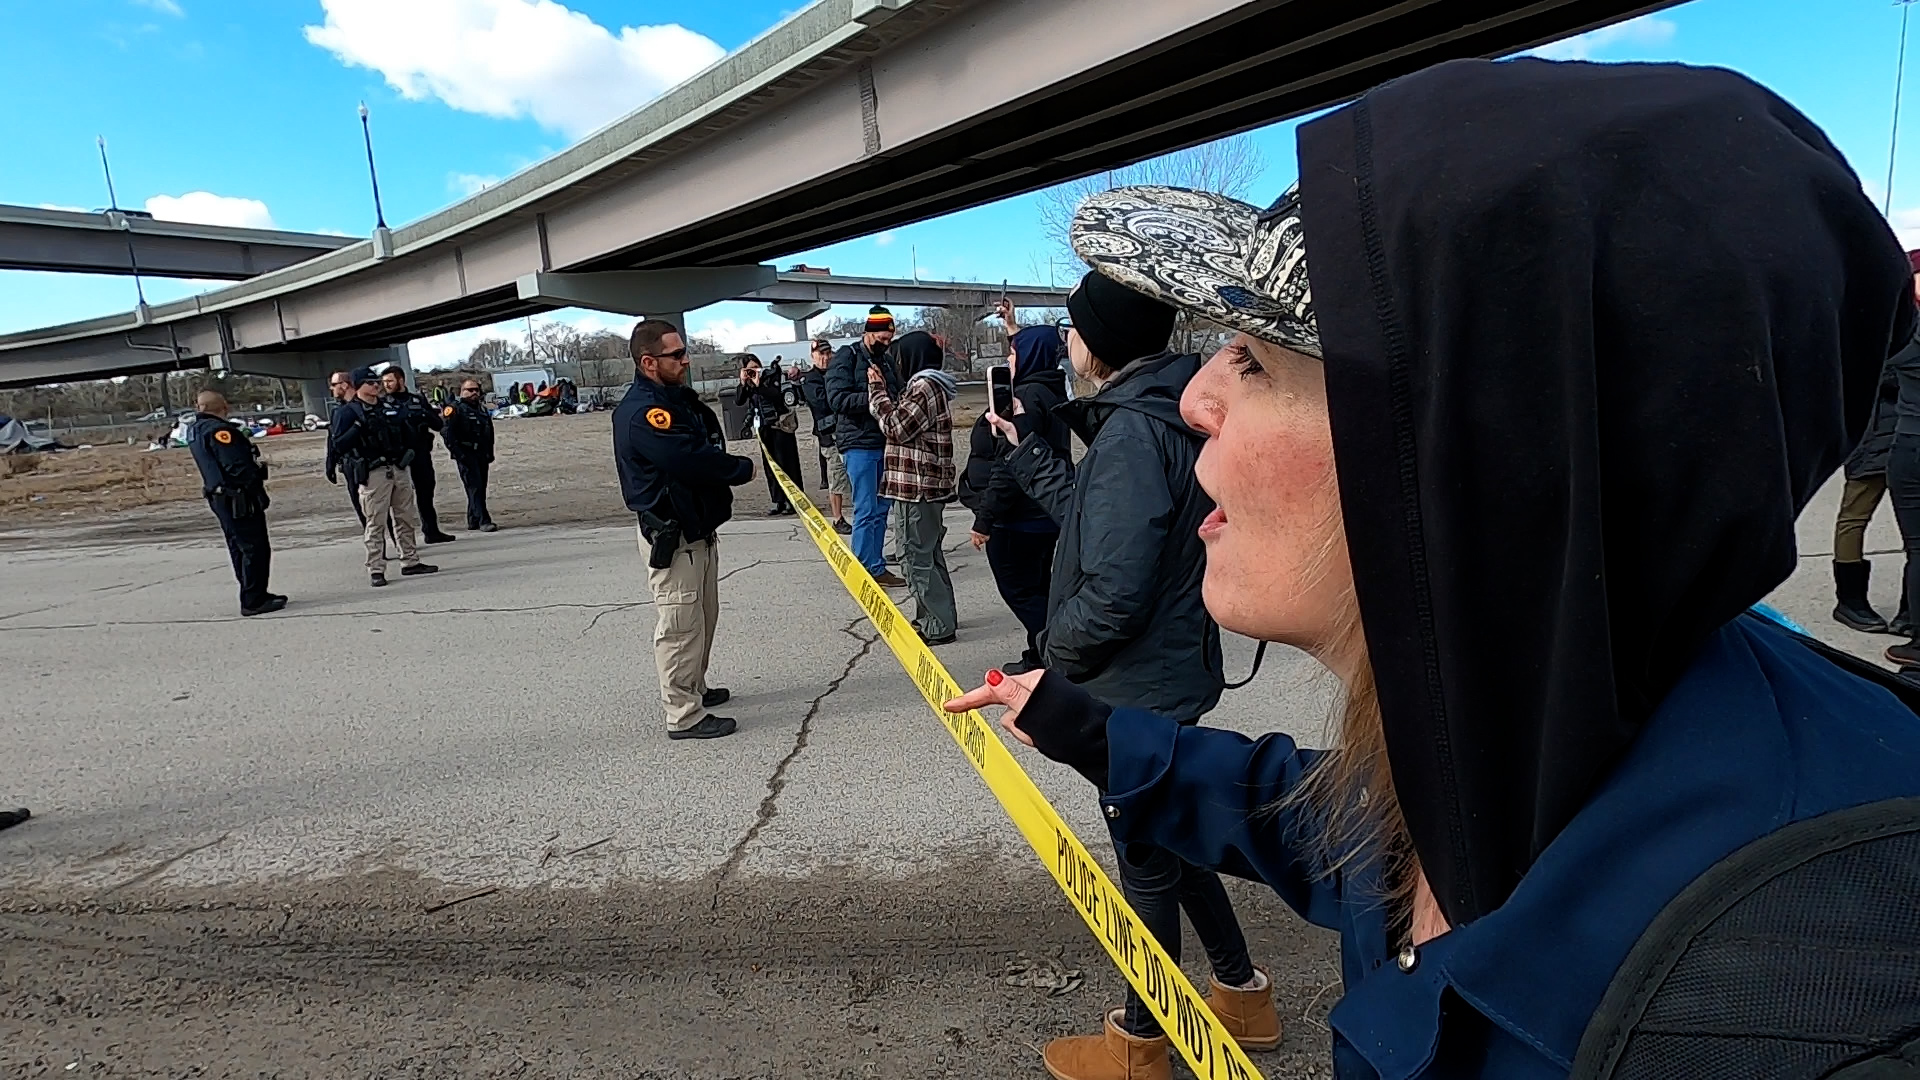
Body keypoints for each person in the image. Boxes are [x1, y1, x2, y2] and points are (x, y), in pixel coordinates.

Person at [949, 59, 1920, 1080]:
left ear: (1495, 450)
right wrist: (1081, 726)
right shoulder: (1539, 716)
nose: (1195, 399)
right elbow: (1348, 828)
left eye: (1260, 359)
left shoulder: (1810, 1000)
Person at [983, 270, 1267, 1075]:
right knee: (1167, 840)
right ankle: (1242, 992)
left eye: (1071, 329)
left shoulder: (1132, 432)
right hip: (1168, 670)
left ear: (1095, 342)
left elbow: (1113, 588)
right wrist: (1032, 459)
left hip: (1136, 683)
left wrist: (1050, 665)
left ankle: (1144, 1044)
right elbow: (1102, 517)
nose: (1066, 343)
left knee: (1143, 866)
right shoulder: (1155, 412)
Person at [614, 319, 757, 741]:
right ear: (648, 362)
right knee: (679, 626)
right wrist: (741, 470)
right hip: (672, 536)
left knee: (703, 618)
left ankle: (694, 687)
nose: (685, 360)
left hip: (698, 529)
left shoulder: (677, 400)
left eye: (683, 351)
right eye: (675, 355)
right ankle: (683, 713)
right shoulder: (646, 413)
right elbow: (691, 459)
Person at [958, 317, 1073, 673]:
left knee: (1022, 592)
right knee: (1040, 588)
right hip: (1042, 512)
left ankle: (1057, 655)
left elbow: (1011, 463)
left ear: (1028, 355)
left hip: (1018, 517)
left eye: (1012, 352)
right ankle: (1041, 654)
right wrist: (1011, 324)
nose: (1009, 359)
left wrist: (985, 518)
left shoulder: (1026, 399)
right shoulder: (1052, 389)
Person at [867, 330, 960, 645]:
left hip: (916, 488)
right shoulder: (932, 385)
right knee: (929, 555)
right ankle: (936, 616)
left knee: (913, 557)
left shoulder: (923, 386)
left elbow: (896, 427)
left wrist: (877, 391)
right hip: (926, 487)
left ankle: (938, 623)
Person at [1833, 309, 1906, 634]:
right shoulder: (1887, 322)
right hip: (1877, 431)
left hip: (1899, 432)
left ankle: (1909, 607)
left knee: (1912, 527)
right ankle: (1850, 601)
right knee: (1855, 516)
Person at [826, 306, 908, 586]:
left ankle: (876, 565)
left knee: (882, 508)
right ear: (869, 332)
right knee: (866, 508)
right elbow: (837, 400)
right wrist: (875, 396)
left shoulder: (886, 361)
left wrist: (888, 395)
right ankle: (862, 570)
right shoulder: (845, 357)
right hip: (858, 443)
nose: (886, 343)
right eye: (882, 337)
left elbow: (898, 393)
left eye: (890, 338)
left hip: (885, 442)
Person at [335, 367, 438, 587]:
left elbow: (407, 431)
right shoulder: (349, 412)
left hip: (397, 468)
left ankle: (410, 561)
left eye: (377, 382)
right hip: (373, 472)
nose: (376, 386)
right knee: (376, 522)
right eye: (370, 382)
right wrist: (358, 428)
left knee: (405, 517)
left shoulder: (388, 407)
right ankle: (376, 568)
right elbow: (339, 445)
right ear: (358, 385)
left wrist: (408, 453)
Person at [188, 390, 286, 617]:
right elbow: (236, 466)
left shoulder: (196, 431)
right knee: (254, 547)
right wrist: (255, 479)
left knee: (238, 546)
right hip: (237, 496)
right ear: (224, 406)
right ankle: (253, 599)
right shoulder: (221, 431)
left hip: (219, 496)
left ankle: (254, 591)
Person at [382, 366, 455, 544]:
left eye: (390, 381)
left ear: (401, 380)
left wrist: (422, 414)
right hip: (399, 458)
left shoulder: (417, 400)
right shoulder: (383, 403)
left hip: (421, 454)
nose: (386, 385)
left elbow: (438, 424)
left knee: (426, 495)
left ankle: (431, 531)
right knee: (399, 501)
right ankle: (402, 541)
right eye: (384, 382)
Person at [734, 354, 804, 515]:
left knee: (786, 464)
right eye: (749, 369)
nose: (753, 372)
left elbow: (778, 397)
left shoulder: (772, 375)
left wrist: (759, 385)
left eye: (755, 367)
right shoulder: (748, 383)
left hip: (779, 426)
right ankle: (778, 500)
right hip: (763, 427)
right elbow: (739, 401)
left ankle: (792, 500)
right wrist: (743, 382)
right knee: (770, 466)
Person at [800, 338, 853, 534]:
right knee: (836, 476)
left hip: (846, 431)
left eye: (828, 353)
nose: (825, 358)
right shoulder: (810, 379)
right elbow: (823, 404)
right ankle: (837, 518)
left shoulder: (837, 373)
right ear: (813, 356)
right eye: (820, 354)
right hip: (829, 436)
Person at [442, 378, 497, 532]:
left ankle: (473, 519)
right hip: (466, 454)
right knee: (475, 488)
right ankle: (483, 520)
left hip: (481, 454)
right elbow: (448, 434)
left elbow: (488, 432)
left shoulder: (481, 409)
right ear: (462, 392)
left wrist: (489, 452)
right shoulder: (455, 409)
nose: (473, 393)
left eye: (476, 390)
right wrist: (458, 454)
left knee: (480, 487)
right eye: (469, 390)